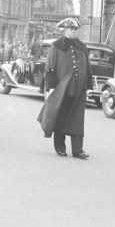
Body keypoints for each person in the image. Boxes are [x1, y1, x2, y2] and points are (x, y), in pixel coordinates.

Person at [37, 17, 93, 159]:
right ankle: (60, 147)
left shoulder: (82, 46)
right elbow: (50, 68)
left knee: (77, 119)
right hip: (62, 90)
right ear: (65, 30)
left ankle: (77, 150)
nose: (74, 31)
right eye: (71, 29)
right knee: (60, 118)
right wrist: (50, 88)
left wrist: (89, 87)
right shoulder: (56, 46)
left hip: (78, 89)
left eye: (75, 29)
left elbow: (88, 68)